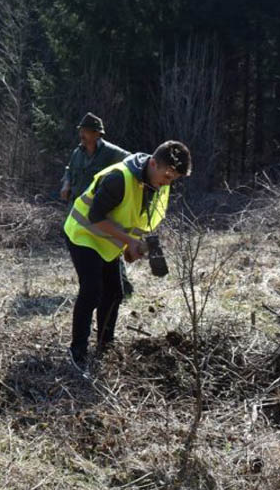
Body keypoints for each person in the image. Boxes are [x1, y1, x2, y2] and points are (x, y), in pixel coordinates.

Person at [63, 140, 192, 366]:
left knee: (114, 293)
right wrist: (128, 241)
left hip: (108, 241)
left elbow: (135, 221)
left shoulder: (157, 186)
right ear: (153, 163)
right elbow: (95, 217)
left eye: (173, 180)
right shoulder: (119, 179)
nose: (167, 184)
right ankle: (78, 353)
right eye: (167, 177)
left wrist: (131, 248)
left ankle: (105, 345)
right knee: (92, 290)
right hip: (83, 233)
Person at [59, 113, 134, 297]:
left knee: (108, 246)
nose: (82, 135)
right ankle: (89, 284)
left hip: (100, 210)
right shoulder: (78, 152)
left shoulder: (112, 152)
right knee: (79, 245)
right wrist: (66, 183)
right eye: (81, 131)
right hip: (77, 210)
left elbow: (131, 164)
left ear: (97, 134)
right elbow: (69, 169)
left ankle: (123, 287)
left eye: (86, 132)